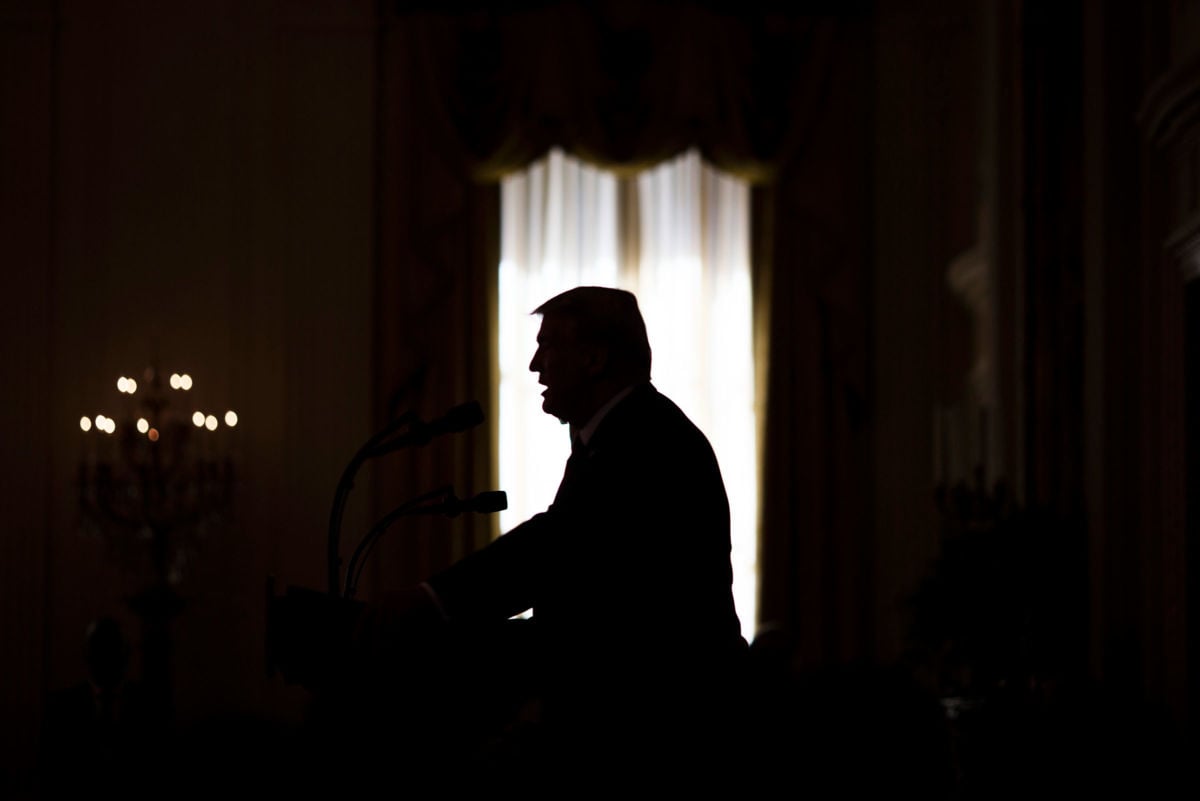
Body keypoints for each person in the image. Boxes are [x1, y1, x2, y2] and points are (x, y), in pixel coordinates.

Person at [357, 286, 748, 786]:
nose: (534, 366)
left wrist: (433, 601)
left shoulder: (646, 438)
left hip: (671, 733)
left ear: (593, 357)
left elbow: (557, 549)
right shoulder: (614, 435)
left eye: (548, 346)